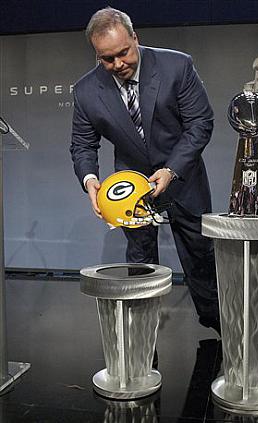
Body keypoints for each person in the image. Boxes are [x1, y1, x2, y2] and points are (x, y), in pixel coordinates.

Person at [70, 7, 220, 335]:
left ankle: (217, 326)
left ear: (135, 38)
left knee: (200, 253)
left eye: (123, 52)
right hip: (130, 188)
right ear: (97, 55)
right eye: (107, 58)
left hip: (182, 177)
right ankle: (142, 332)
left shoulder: (176, 66)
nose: (118, 64)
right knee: (140, 259)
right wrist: (90, 180)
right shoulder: (85, 91)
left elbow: (200, 123)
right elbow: (82, 145)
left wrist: (171, 170)